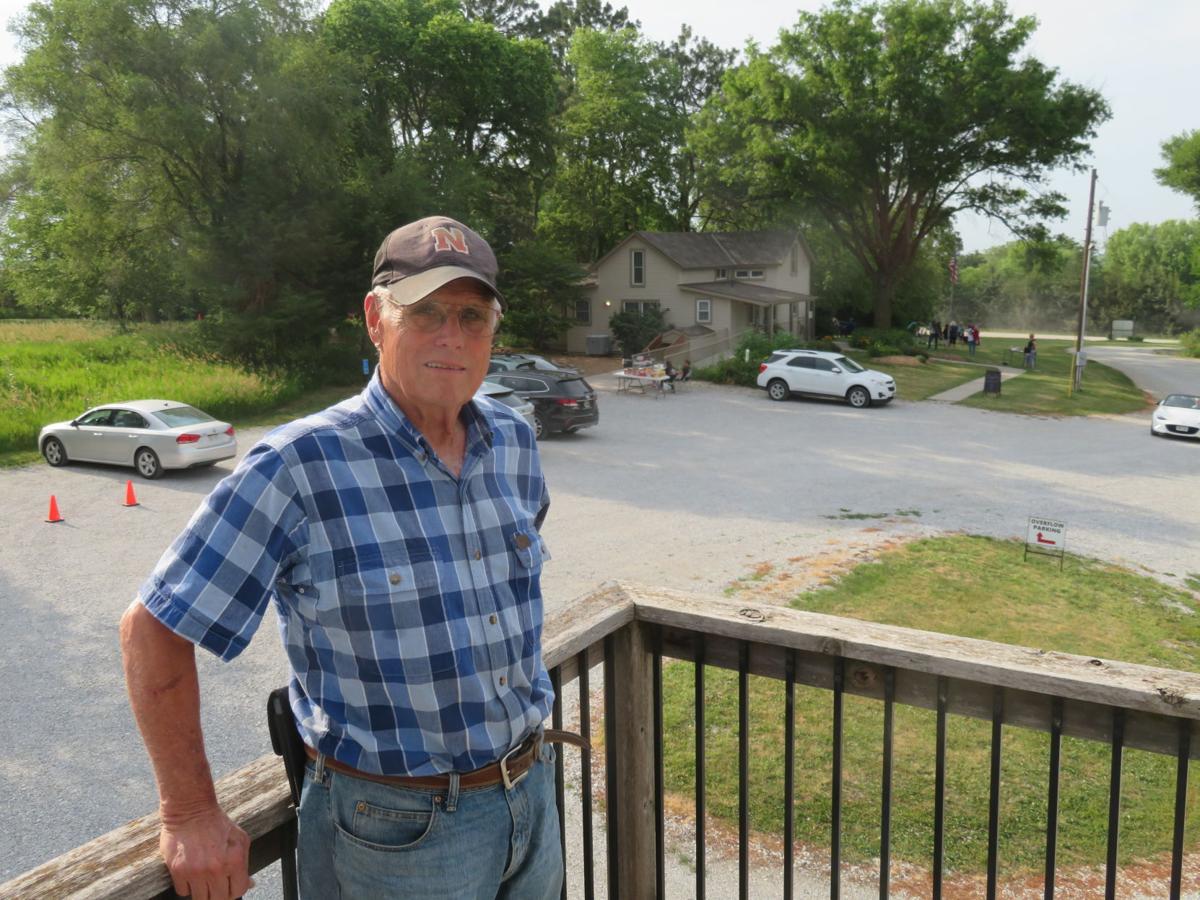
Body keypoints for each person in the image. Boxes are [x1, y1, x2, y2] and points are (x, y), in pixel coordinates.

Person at [120, 215, 577, 900]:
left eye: (471, 316)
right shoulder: (300, 463)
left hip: (531, 795)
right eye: (424, 313)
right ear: (375, 318)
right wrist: (189, 814)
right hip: (397, 831)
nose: (451, 337)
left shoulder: (511, 439)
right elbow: (154, 627)